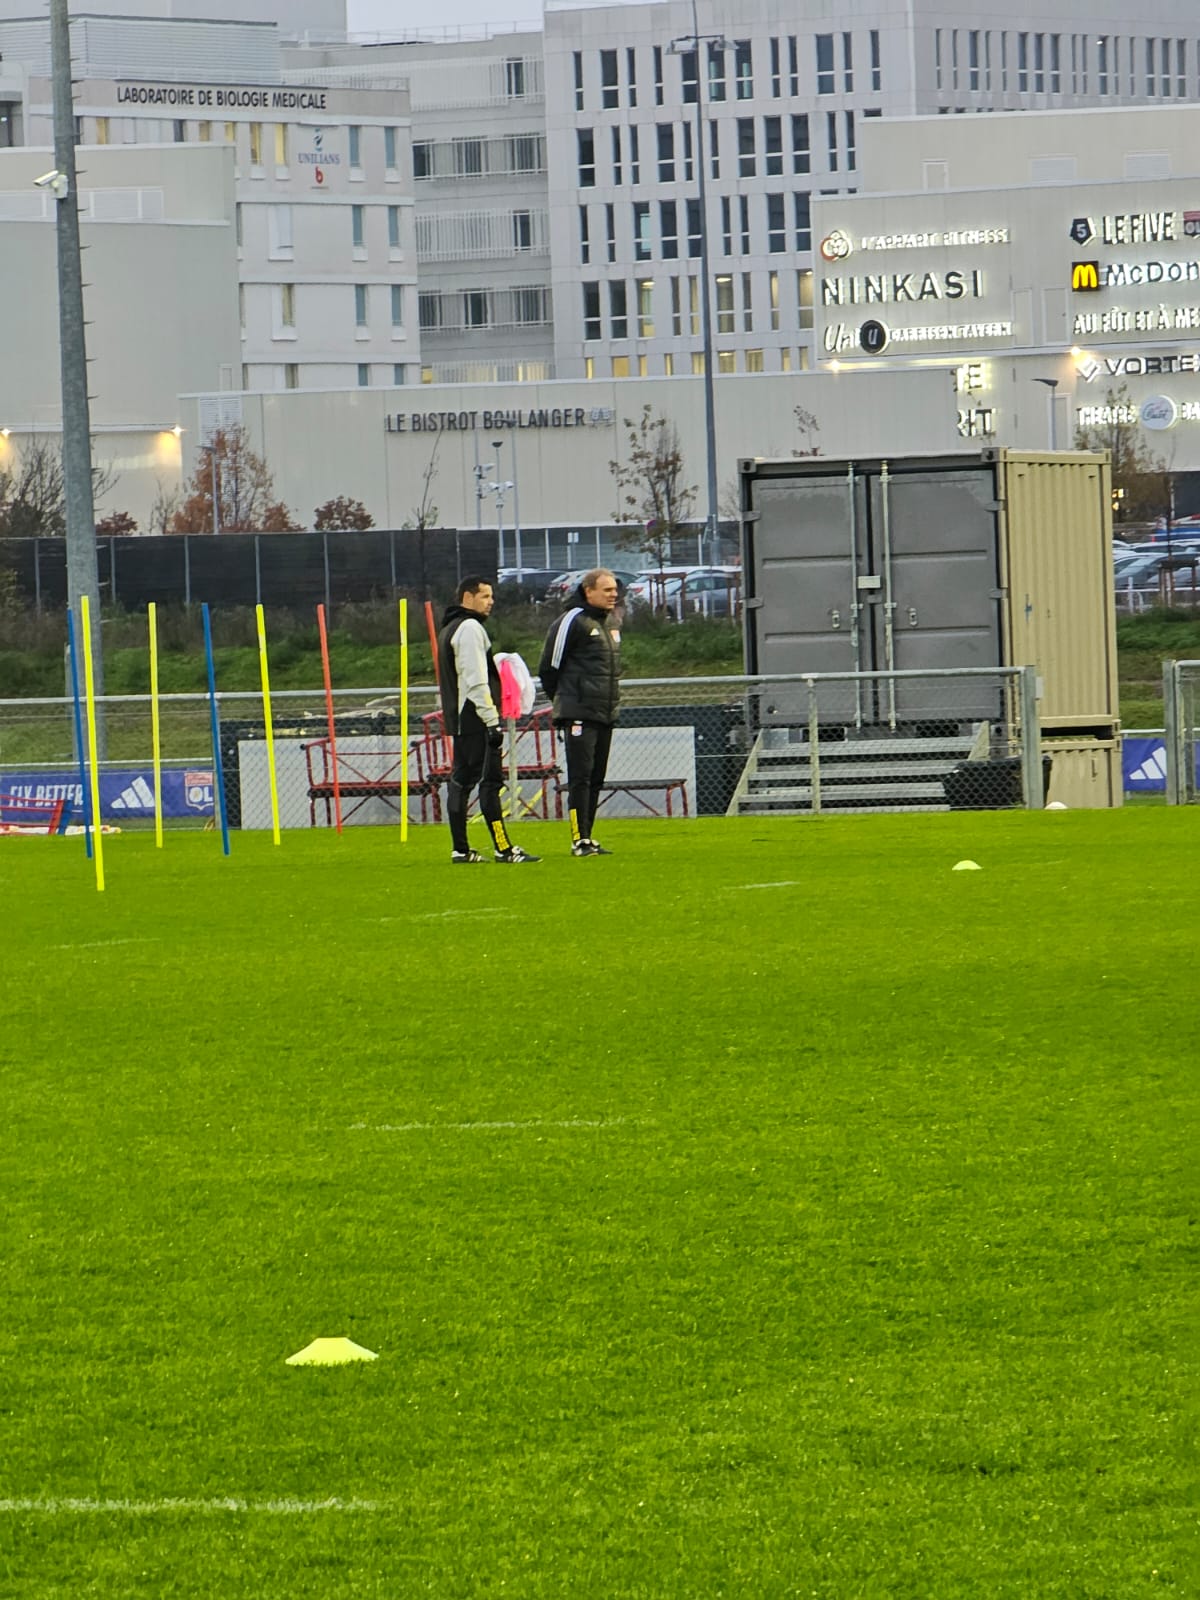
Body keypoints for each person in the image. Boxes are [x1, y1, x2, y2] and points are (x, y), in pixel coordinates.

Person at [436, 577, 539, 864]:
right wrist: (491, 720)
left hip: (460, 719)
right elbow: (476, 679)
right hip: (476, 716)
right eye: (485, 596)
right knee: (489, 783)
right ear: (467, 597)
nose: (491, 601)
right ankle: (503, 848)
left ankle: (461, 849)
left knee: (461, 782)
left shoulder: (448, 629)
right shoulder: (470, 628)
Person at [538, 567, 622, 857]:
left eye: (614, 589)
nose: (614, 594)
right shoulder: (572, 620)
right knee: (580, 777)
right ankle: (578, 839)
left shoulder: (609, 622)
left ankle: (588, 836)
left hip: (604, 712)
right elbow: (549, 667)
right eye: (607, 589)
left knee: (596, 776)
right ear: (589, 591)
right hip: (579, 712)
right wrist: (566, 701)